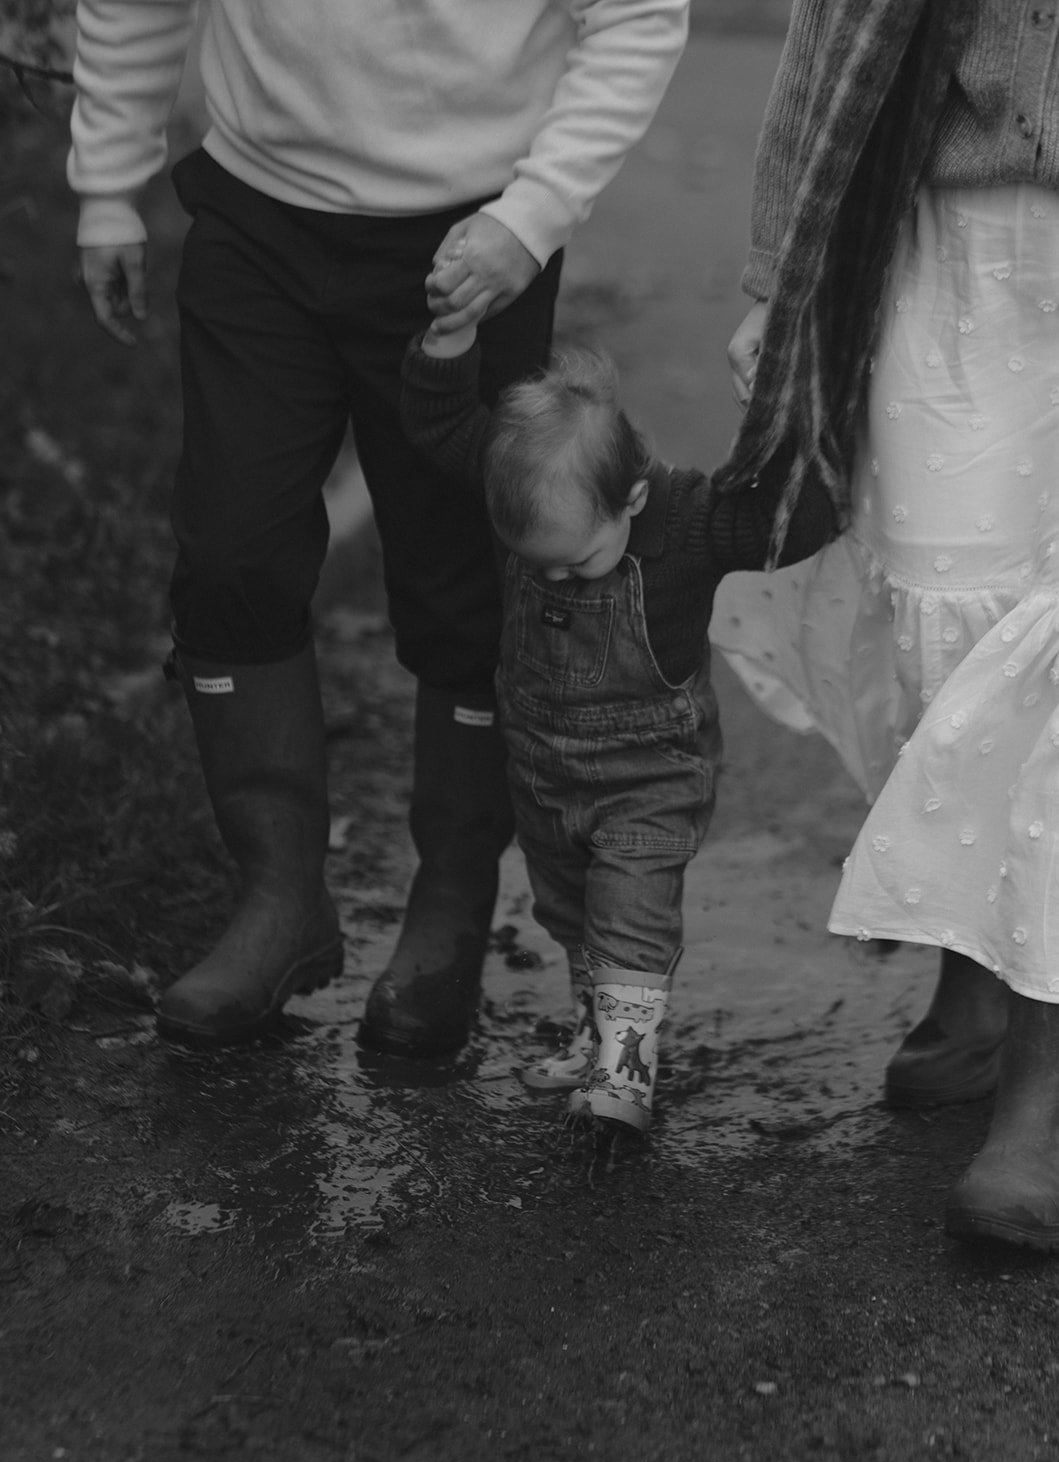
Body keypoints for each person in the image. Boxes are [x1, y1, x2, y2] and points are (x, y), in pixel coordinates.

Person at [66, 0, 691, 1055]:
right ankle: (279, 901)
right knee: (230, 554)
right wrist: (105, 188)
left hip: (472, 237)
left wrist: (530, 215)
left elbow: (637, 15)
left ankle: (449, 904)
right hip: (259, 216)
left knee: (463, 587)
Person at [715, 0, 1059, 1247]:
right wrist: (777, 276)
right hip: (947, 241)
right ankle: (975, 966)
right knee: (949, 629)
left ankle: (1043, 1079)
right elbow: (835, 31)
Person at [398, 313, 828, 1134]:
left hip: (648, 777)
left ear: (630, 498)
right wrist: (445, 345)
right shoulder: (529, 488)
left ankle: (624, 1072)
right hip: (540, 772)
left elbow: (792, 521)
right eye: (537, 563)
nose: (555, 575)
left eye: (576, 560)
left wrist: (784, 410)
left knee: (629, 914)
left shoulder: (691, 522)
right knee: (571, 914)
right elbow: (443, 427)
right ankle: (594, 1036)